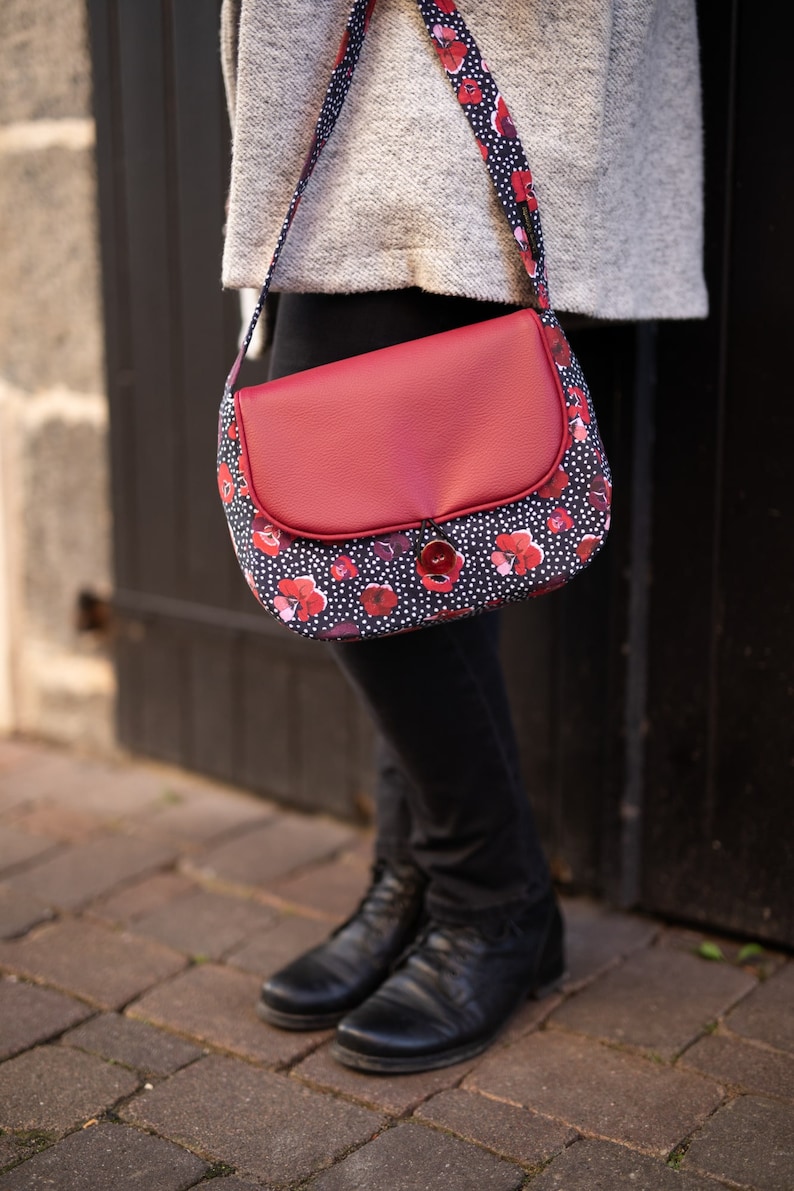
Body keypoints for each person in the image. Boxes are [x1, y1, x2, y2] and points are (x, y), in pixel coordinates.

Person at [218, 0, 707, 1074]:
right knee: (407, 544)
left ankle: (492, 902)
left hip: (448, 97)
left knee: (357, 543)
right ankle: (424, 883)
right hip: (366, 102)